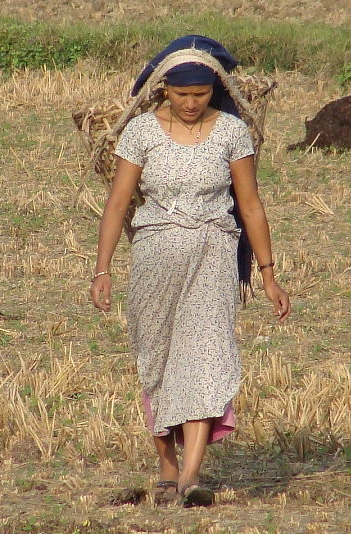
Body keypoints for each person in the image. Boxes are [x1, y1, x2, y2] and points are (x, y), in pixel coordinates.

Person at [90, 36, 291, 507]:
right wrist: (102, 269)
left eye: (200, 95)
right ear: (164, 91)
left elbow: (251, 205)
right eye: (182, 95)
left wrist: (267, 274)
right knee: (157, 360)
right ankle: (166, 467)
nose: (190, 103)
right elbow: (118, 203)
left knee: (204, 357)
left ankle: (192, 477)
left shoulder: (231, 133)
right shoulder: (140, 132)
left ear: (213, 91)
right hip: (154, 255)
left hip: (213, 254)